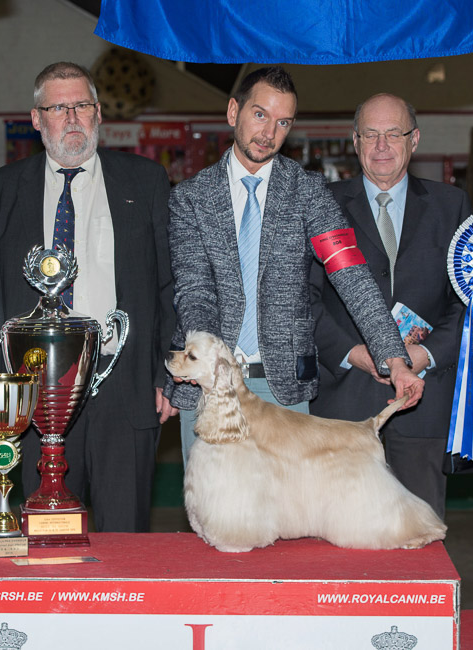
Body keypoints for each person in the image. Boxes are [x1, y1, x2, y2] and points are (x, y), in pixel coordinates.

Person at [166, 67, 423, 464]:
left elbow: (350, 273)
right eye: (260, 115)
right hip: (208, 386)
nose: (269, 132)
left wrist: (395, 360)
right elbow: (194, 289)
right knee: (213, 519)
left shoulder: (308, 191)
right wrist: (212, 362)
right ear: (234, 112)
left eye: (283, 122)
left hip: (281, 386)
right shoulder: (191, 198)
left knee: (286, 523)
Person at [0, 62, 175, 533]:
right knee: (45, 535)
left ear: (99, 113)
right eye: (57, 107)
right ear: (36, 118)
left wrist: (167, 371)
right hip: (35, 391)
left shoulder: (145, 181)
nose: (71, 118)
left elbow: (169, 283)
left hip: (123, 383)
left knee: (124, 533)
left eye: (81, 106)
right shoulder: (2, 189)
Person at [309, 93, 470, 518]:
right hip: (342, 403)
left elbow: (467, 302)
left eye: (393, 134)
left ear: (414, 140)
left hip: (422, 400)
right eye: (370, 134)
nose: (381, 146)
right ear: (355, 142)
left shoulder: (451, 205)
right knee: (336, 539)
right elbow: (303, 301)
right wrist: (355, 355)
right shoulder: (320, 203)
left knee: (417, 538)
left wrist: (422, 355)